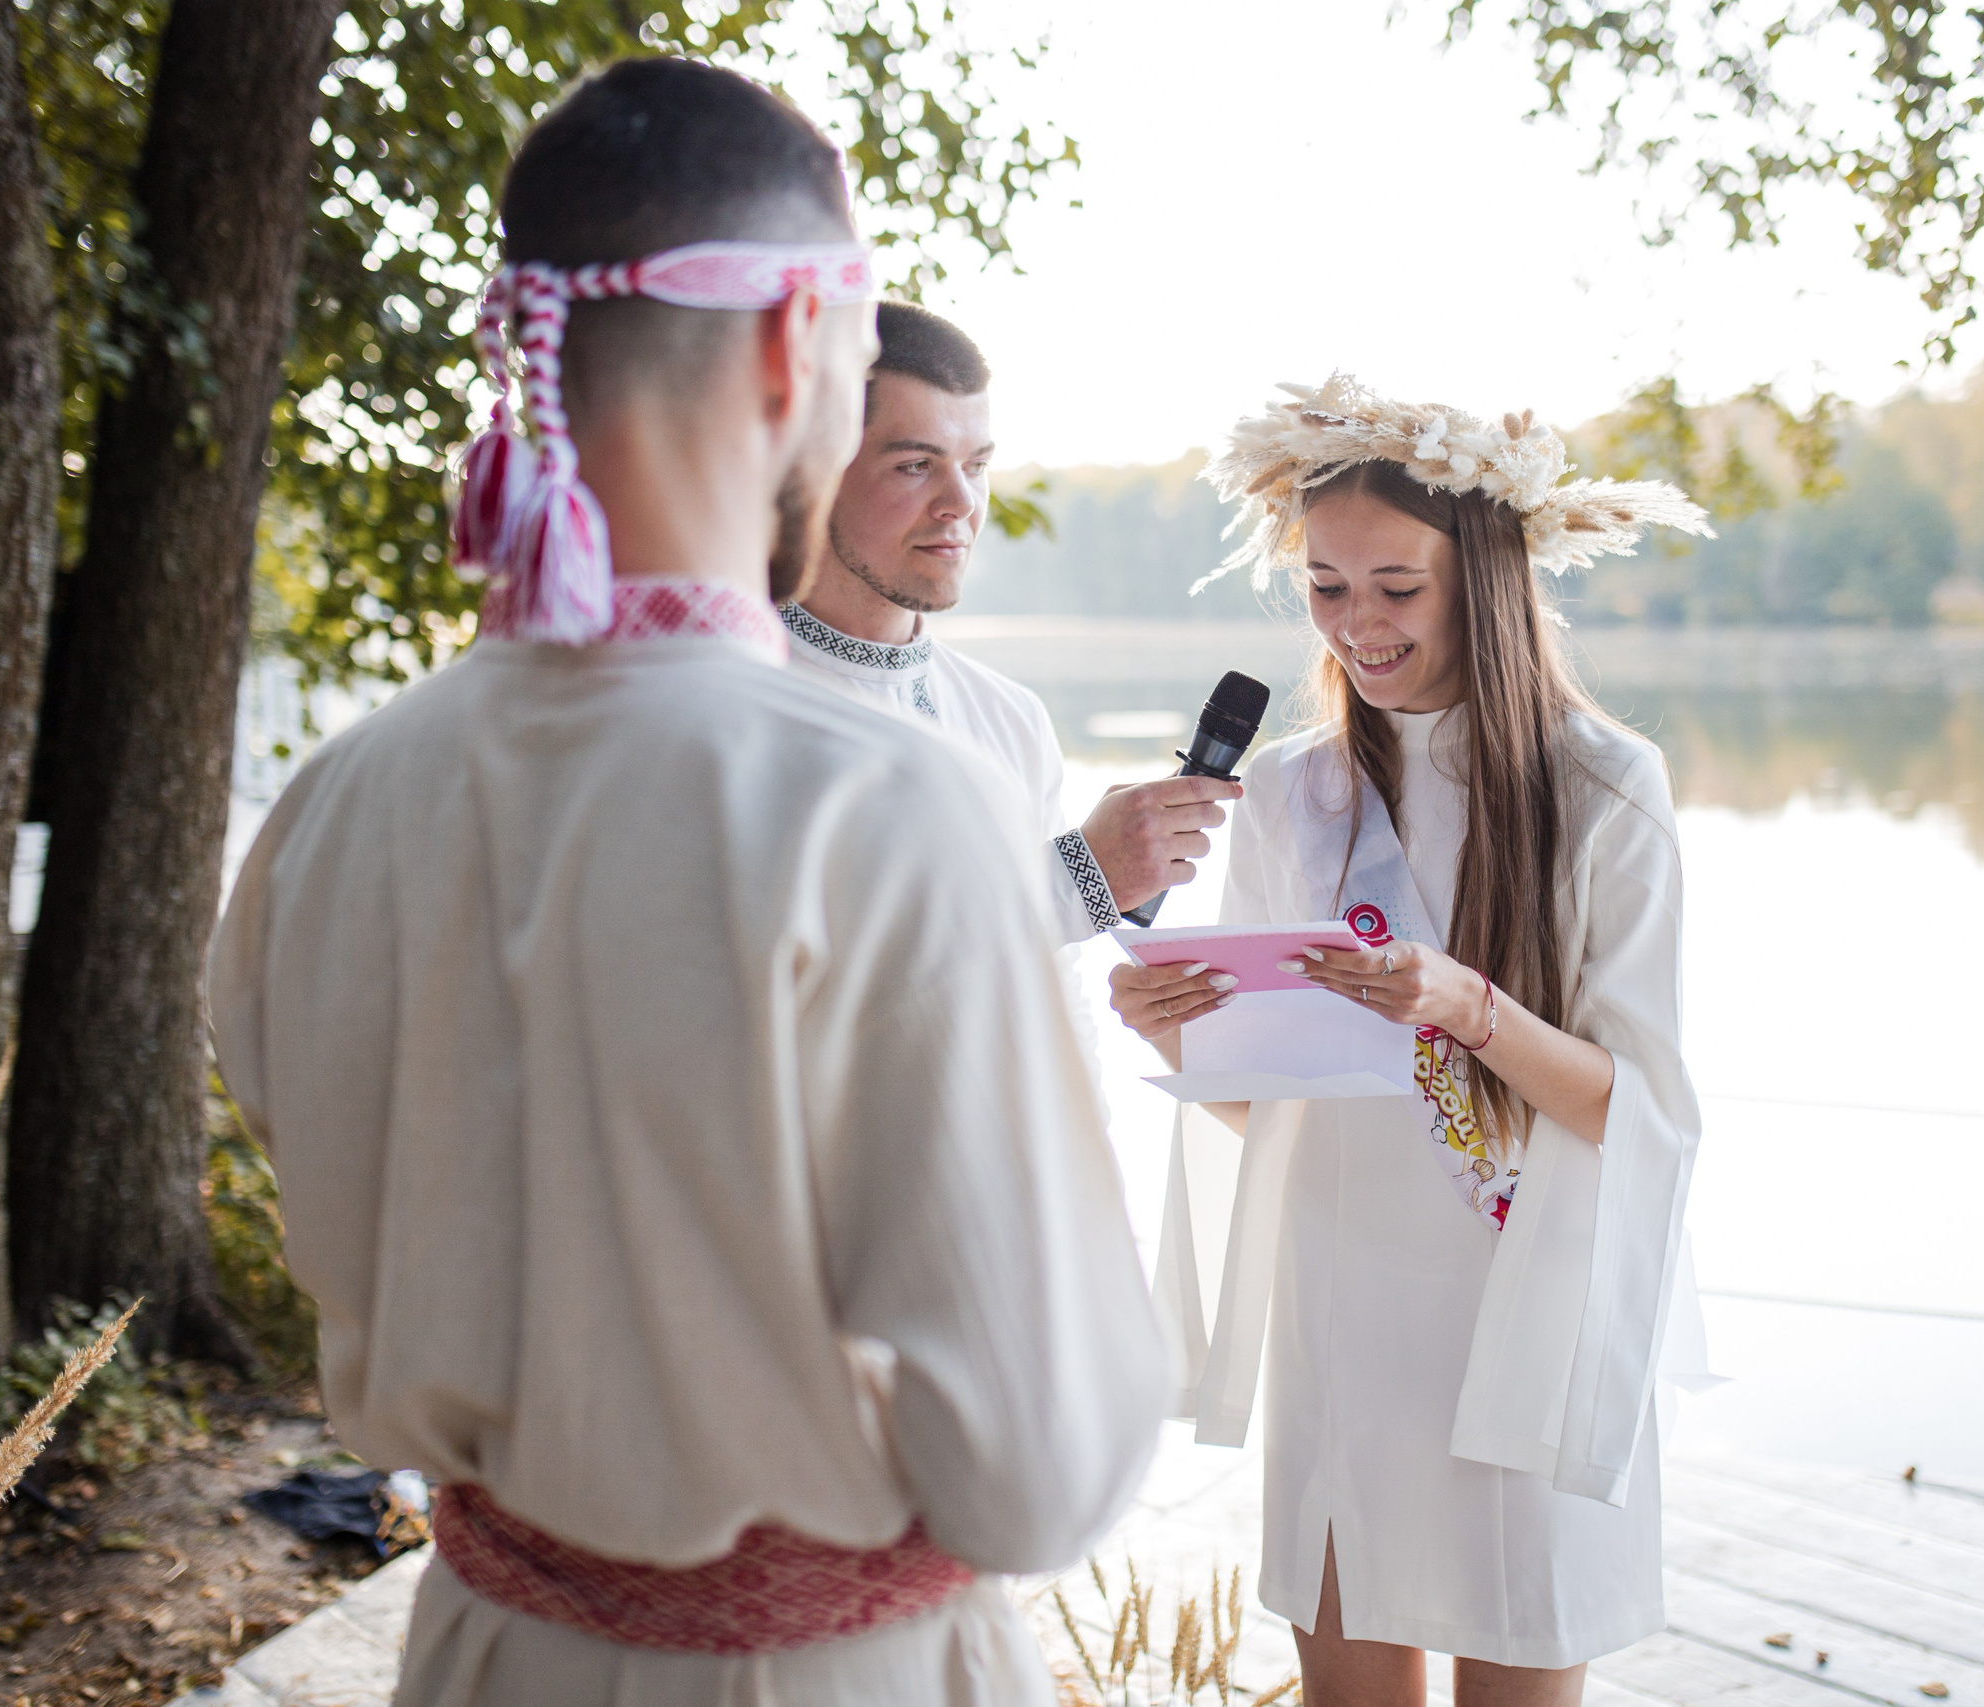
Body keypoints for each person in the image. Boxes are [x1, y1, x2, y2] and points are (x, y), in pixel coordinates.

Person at [208, 59, 1167, 1706]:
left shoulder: (332, 805)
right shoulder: (885, 811)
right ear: (801, 341)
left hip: (484, 1654)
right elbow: (1044, 1458)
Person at [1112, 375, 1716, 1705]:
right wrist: (1187, 1039)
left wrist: (1465, 1006)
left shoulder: (1606, 785)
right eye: (1328, 588)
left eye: (1396, 586)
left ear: (1483, 576)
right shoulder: (1290, 790)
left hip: (1521, 1302)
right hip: (1343, 1312)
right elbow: (1278, 1108)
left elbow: (1641, 1107)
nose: (1359, 625)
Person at [780, 301, 1239, 943]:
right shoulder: (733, 712)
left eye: (976, 465)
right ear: (816, 469)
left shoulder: (1010, 717)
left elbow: (1054, 995)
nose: (962, 503)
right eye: (916, 465)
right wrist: (1074, 882)